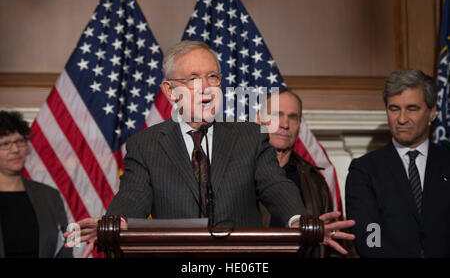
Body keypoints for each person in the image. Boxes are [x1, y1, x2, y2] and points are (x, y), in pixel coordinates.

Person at [65, 40, 355, 256]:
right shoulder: (146, 144)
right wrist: (115, 223)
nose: (206, 88)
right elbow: (133, 196)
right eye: (193, 79)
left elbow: (276, 187)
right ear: (169, 91)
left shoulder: (250, 136)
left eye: (213, 77)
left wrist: (300, 220)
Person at [345, 69, 450, 258]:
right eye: (394, 109)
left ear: (432, 112)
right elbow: (369, 235)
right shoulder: (365, 170)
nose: (402, 119)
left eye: (412, 109)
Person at [257, 89, 339, 258]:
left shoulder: (315, 180)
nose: (285, 124)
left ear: (299, 125)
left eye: (292, 117)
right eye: (276, 115)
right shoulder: (235, 172)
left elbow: (329, 247)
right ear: (259, 119)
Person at [0, 111, 72, 258]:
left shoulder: (49, 196)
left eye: (20, 141)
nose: (15, 150)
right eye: (6, 144)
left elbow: (67, 244)